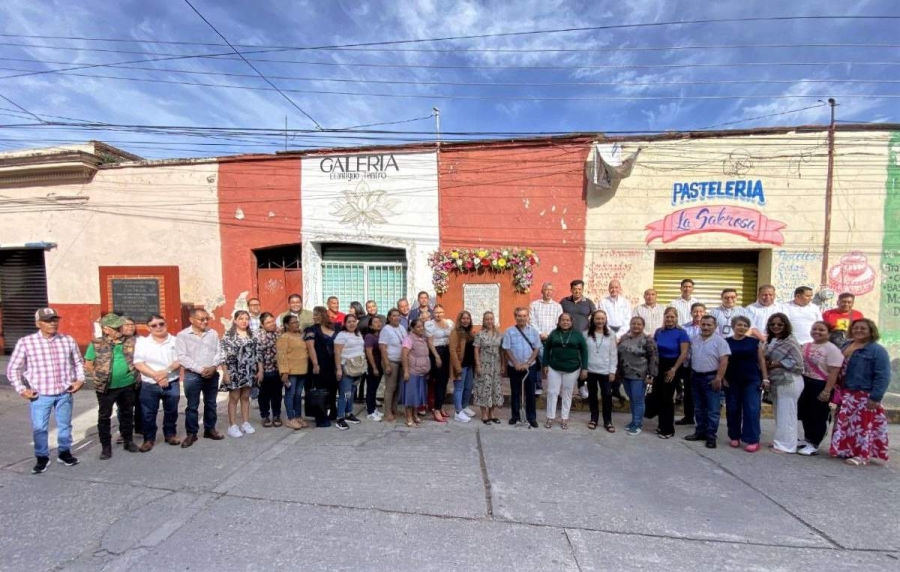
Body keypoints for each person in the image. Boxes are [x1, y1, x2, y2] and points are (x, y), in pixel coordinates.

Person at [7, 308, 84, 474]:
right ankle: (42, 456)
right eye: (48, 321)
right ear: (38, 323)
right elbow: (13, 369)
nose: (52, 323)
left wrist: (80, 380)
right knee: (40, 428)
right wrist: (22, 389)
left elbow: (78, 362)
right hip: (40, 394)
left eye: (55, 320)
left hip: (64, 391)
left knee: (65, 425)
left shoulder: (67, 340)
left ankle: (64, 452)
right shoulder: (26, 343)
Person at [830, 318, 891, 466]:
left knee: (863, 426)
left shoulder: (877, 350)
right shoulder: (846, 345)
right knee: (847, 424)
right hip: (847, 392)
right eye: (856, 327)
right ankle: (845, 450)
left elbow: (883, 375)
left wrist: (875, 397)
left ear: (871, 331)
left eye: (863, 328)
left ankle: (862, 455)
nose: (858, 330)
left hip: (863, 393)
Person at [85, 313, 139, 459]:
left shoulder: (130, 341)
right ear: (106, 329)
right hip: (106, 387)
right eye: (116, 327)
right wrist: (98, 375)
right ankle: (106, 447)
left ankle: (128, 441)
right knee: (104, 417)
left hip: (127, 384)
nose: (120, 329)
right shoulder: (96, 343)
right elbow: (89, 363)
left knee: (127, 413)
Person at [176, 308, 225, 447]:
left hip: (212, 373)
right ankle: (192, 433)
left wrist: (214, 366)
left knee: (211, 403)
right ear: (191, 319)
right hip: (193, 375)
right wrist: (200, 369)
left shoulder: (212, 333)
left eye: (206, 319)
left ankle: (210, 429)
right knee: (192, 406)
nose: (205, 321)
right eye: (201, 319)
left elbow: (219, 352)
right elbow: (182, 357)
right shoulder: (183, 335)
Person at [133, 314, 181, 452]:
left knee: (171, 411)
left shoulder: (176, 340)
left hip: (171, 382)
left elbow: (180, 360)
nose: (158, 327)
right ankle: (149, 439)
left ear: (166, 324)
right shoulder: (142, 343)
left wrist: (165, 372)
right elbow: (139, 363)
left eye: (161, 324)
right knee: (148, 413)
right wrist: (157, 377)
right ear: (148, 328)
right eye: (154, 325)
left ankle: (170, 435)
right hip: (149, 384)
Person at [684, 315, 731, 449]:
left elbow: (724, 361)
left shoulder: (720, 341)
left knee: (712, 410)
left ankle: (711, 436)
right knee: (698, 408)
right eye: (703, 324)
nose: (705, 327)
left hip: (712, 378)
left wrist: (719, 378)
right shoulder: (694, 340)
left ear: (715, 327)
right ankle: (700, 432)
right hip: (696, 377)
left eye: (709, 325)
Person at [798, 321, 843, 456]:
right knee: (806, 414)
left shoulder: (832, 349)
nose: (817, 332)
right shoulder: (806, 346)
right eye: (814, 329)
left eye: (821, 330)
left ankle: (814, 443)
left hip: (821, 384)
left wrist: (827, 391)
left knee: (818, 415)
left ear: (829, 333)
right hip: (805, 383)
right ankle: (807, 438)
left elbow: (834, 372)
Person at [724, 316, 767, 452]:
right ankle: (734, 436)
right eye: (739, 325)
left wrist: (765, 378)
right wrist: (722, 377)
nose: (741, 327)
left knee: (752, 409)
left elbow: (761, 360)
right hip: (732, 380)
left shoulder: (754, 342)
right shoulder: (726, 342)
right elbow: (723, 361)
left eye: (744, 325)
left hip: (751, 379)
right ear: (733, 326)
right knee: (733, 408)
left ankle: (752, 439)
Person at [764, 313, 805, 453]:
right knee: (780, 413)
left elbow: (799, 364)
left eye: (780, 324)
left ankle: (787, 446)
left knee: (787, 413)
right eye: (773, 324)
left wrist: (775, 363)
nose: (776, 327)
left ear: (786, 325)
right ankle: (780, 441)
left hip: (789, 380)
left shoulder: (790, 341)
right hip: (777, 381)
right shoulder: (772, 340)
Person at [543, 313, 588, 430]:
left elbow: (584, 352)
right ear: (559, 322)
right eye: (563, 320)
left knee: (567, 393)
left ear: (571, 322)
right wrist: (545, 364)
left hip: (572, 368)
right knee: (552, 392)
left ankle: (564, 418)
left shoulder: (577, 335)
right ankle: (550, 417)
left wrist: (585, 368)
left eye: (568, 320)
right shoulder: (553, 333)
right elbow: (547, 349)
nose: (565, 322)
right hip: (554, 367)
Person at [221, 310, 262, 438]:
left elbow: (258, 354)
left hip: (249, 371)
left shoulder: (253, 335)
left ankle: (245, 422)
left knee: (245, 397)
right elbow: (223, 356)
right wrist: (225, 373)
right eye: (241, 318)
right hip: (234, 371)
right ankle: (232, 425)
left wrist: (260, 370)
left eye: (246, 318)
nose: (244, 321)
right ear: (235, 321)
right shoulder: (228, 336)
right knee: (234, 398)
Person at [616, 316, 659, 436]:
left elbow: (654, 358)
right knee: (632, 399)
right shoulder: (624, 338)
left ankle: (638, 424)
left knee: (638, 400)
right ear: (630, 325)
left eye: (639, 324)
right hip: (625, 374)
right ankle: (633, 421)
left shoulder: (647, 340)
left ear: (643, 326)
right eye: (633, 324)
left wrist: (651, 375)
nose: (636, 326)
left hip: (639, 375)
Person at [653, 307, 690, 439]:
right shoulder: (659, 331)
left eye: (672, 317)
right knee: (658, 395)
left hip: (673, 366)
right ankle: (661, 425)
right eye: (667, 317)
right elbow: (654, 350)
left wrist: (674, 369)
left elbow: (684, 353)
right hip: (659, 365)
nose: (669, 319)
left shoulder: (681, 333)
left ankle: (668, 429)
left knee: (667, 397)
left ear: (676, 318)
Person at [502, 307, 541, 428]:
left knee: (530, 392)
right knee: (515, 392)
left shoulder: (533, 331)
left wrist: (528, 363)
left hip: (530, 366)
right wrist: (516, 363)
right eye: (519, 316)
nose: (522, 318)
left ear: (528, 317)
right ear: (515, 317)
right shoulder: (509, 331)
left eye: (524, 316)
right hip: (514, 367)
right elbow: (507, 348)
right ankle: (515, 416)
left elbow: (537, 348)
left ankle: (531, 417)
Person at [305, 306, 340, 428]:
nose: (314, 317)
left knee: (333, 389)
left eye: (317, 314)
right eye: (313, 314)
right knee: (321, 391)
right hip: (320, 364)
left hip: (334, 364)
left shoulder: (335, 327)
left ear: (324, 315)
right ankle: (321, 417)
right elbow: (310, 347)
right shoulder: (311, 329)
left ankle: (332, 413)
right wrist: (315, 364)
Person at [585, 310, 618, 432]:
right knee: (592, 396)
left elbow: (613, 354)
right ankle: (594, 419)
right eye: (597, 318)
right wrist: (583, 368)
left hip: (605, 371)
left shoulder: (611, 334)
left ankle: (608, 421)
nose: (600, 321)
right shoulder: (586, 334)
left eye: (602, 319)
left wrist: (612, 371)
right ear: (593, 320)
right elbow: (583, 353)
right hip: (590, 370)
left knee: (607, 396)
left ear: (605, 320)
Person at [529, 281, 563, 395]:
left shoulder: (558, 306)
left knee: (552, 362)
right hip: (537, 338)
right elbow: (531, 321)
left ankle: (553, 387)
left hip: (552, 339)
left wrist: (550, 335)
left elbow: (560, 323)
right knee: (537, 362)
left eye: (551, 290)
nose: (549, 292)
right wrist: (540, 333)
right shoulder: (534, 305)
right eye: (546, 289)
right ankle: (538, 386)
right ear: (542, 291)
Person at [676, 302, 707, 426]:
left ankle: (703, 419)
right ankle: (688, 416)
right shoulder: (684, 328)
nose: (698, 314)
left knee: (703, 392)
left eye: (701, 311)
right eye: (695, 311)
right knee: (689, 391)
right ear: (691, 313)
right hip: (688, 364)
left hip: (705, 365)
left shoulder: (710, 327)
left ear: (704, 313)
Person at [276, 314, 309, 430]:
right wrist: (284, 371)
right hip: (290, 372)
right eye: (294, 322)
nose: (297, 324)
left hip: (302, 370)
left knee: (298, 395)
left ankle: (298, 416)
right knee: (290, 394)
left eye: (297, 322)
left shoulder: (301, 336)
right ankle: (291, 418)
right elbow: (281, 356)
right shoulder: (284, 337)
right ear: (286, 325)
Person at [334, 313, 366, 430]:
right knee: (345, 393)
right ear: (344, 323)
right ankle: (340, 418)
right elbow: (337, 353)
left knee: (352, 392)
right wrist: (338, 369)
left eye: (354, 321)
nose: (352, 323)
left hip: (357, 367)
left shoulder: (358, 334)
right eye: (349, 322)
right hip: (346, 367)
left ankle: (348, 413)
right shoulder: (341, 335)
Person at [473, 311, 504, 425]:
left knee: (495, 389)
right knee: (483, 389)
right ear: (484, 321)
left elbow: (501, 350)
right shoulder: (480, 334)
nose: (489, 321)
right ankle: (484, 414)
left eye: (491, 319)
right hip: (484, 364)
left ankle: (492, 413)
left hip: (495, 365)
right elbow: (476, 350)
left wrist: (503, 364)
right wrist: (477, 365)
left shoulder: (498, 334)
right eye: (487, 319)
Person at [425, 304, 454, 423]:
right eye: (436, 312)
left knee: (445, 381)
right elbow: (430, 342)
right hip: (436, 352)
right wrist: (437, 357)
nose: (439, 314)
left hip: (448, 352)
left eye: (441, 312)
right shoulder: (429, 324)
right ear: (433, 313)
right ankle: (436, 409)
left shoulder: (449, 322)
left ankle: (441, 406)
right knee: (438, 382)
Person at [400, 318, 430, 428]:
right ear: (412, 328)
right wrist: (406, 371)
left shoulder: (423, 338)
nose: (421, 328)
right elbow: (404, 355)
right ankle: (408, 418)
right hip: (412, 371)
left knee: (418, 395)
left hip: (421, 371)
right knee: (410, 396)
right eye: (418, 326)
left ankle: (415, 415)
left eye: (422, 326)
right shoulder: (408, 339)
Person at [118, 316, 143, 442]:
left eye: (132, 324)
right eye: (126, 325)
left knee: (141, 404)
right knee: (124, 407)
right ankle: (124, 432)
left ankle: (140, 428)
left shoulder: (141, 340)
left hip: (140, 377)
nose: (130, 327)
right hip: (123, 380)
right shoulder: (116, 341)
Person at [379, 308, 407, 423]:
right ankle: (387, 412)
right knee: (390, 388)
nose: (396, 318)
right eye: (394, 316)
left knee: (398, 388)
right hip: (391, 361)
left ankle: (394, 409)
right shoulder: (386, 329)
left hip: (401, 362)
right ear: (389, 318)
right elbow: (382, 347)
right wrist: (387, 365)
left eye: (398, 315)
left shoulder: (401, 328)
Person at [450, 310, 477, 423]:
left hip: (469, 365)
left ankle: (464, 406)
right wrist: (457, 367)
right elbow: (452, 350)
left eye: (468, 318)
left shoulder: (470, 332)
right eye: (463, 318)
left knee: (468, 387)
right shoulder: (455, 332)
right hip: (460, 365)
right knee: (459, 388)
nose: (466, 320)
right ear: (459, 320)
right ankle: (458, 412)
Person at [256, 312, 282, 428]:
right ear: (262, 325)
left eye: (272, 321)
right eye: (268, 322)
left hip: (278, 369)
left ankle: (276, 415)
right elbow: (258, 355)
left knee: (277, 394)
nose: (271, 324)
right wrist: (260, 371)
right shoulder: (258, 336)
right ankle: (265, 415)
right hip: (264, 370)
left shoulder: (279, 333)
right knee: (264, 394)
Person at [364, 315, 385, 421]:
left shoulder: (380, 336)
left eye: (379, 321)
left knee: (374, 388)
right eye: (375, 322)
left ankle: (374, 409)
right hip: (373, 366)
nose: (378, 323)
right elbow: (369, 353)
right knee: (371, 390)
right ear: (371, 326)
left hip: (380, 366)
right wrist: (374, 367)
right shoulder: (369, 337)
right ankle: (370, 412)